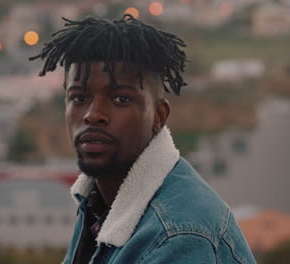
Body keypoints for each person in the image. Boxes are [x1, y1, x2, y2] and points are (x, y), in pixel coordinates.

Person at [31, 15, 256, 264]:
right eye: (78, 98)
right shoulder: (99, 202)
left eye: (120, 99)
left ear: (158, 116)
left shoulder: (179, 235)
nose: (92, 115)